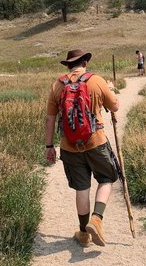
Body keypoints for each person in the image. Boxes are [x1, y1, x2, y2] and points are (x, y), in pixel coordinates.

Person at [45, 48, 119, 247]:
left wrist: (49, 145)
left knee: (82, 187)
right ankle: (97, 219)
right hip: (96, 142)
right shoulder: (96, 80)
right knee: (106, 178)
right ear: (85, 63)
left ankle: (84, 233)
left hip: (69, 147)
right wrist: (110, 90)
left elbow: (50, 119)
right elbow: (115, 107)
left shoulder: (57, 86)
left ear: (68, 65)